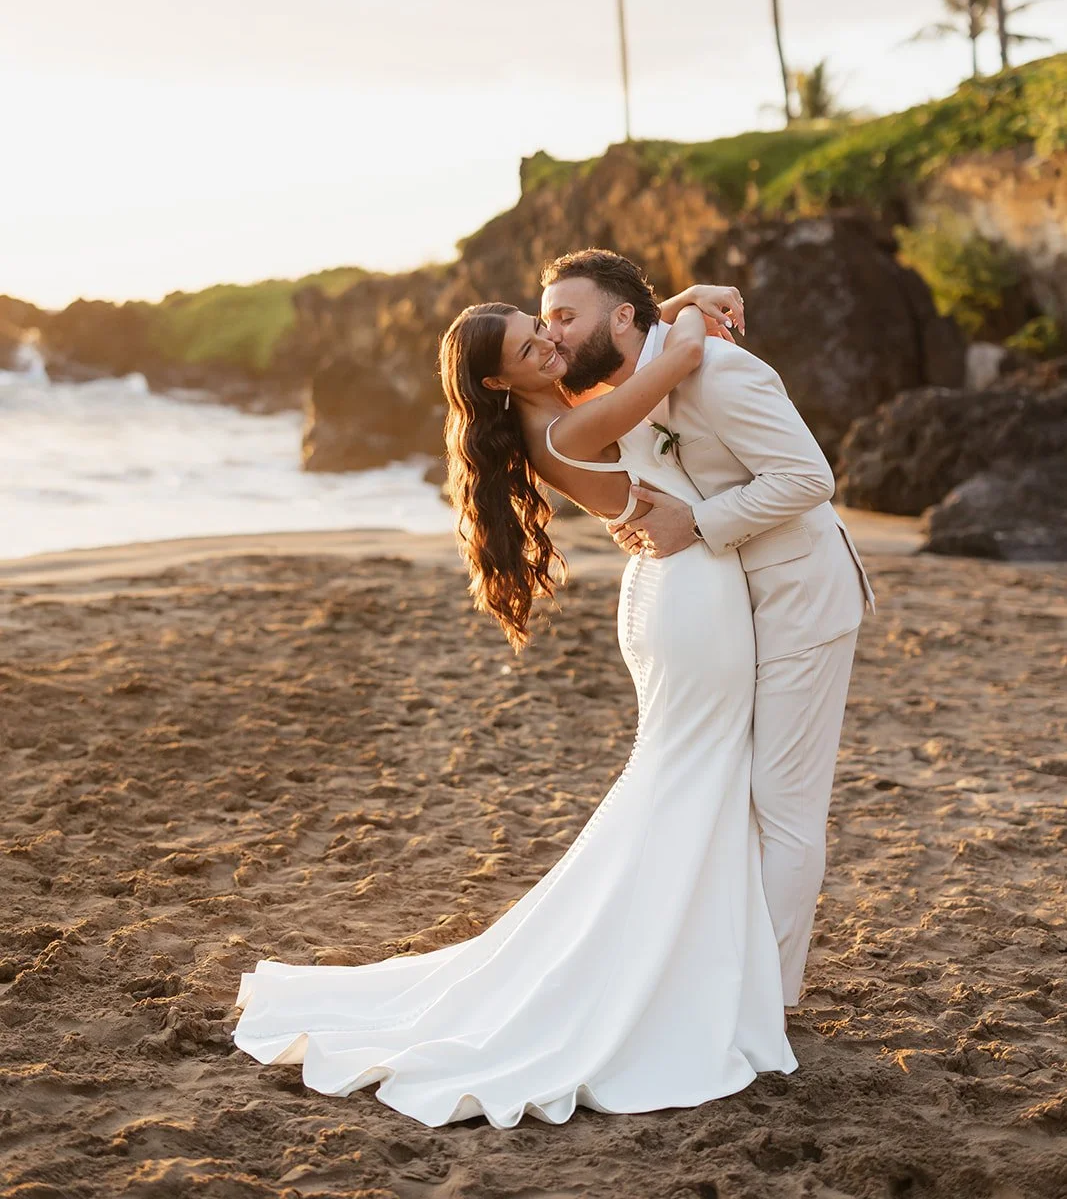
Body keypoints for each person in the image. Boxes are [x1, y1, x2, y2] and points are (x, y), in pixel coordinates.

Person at [231, 283, 798, 1128]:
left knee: (684, 780)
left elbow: (635, 342)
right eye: (532, 348)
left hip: (673, 589)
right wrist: (687, 302)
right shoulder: (570, 426)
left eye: (545, 329)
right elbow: (673, 350)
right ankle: (682, 973)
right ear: (502, 384)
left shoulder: (565, 409)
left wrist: (669, 299)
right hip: (690, 597)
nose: (551, 347)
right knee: (693, 779)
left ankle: (694, 959)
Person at [540, 249, 875, 1009]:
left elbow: (807, 479)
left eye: (565, 315)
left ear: (621, 317)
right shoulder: (625, 383)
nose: (552, 333)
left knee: (781, 804)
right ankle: (726, 973)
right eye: (546, 319)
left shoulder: (721, 372)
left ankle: (769, 1000)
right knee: (729, 789)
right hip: (729, 607)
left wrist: (698, 524)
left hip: (798, 596)